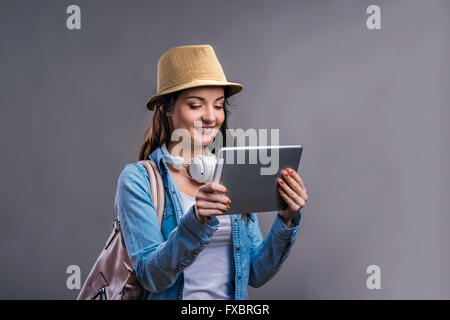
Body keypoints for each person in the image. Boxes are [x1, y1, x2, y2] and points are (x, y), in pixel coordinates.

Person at [114, 44, 308, 300]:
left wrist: (287, 219)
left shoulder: (232, 170)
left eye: (218, 106)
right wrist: (196, 220)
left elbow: (255, 273)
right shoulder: (138, 180)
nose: (211, 117)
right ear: (166, 109)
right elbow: (152, 277)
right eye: (196, 105)